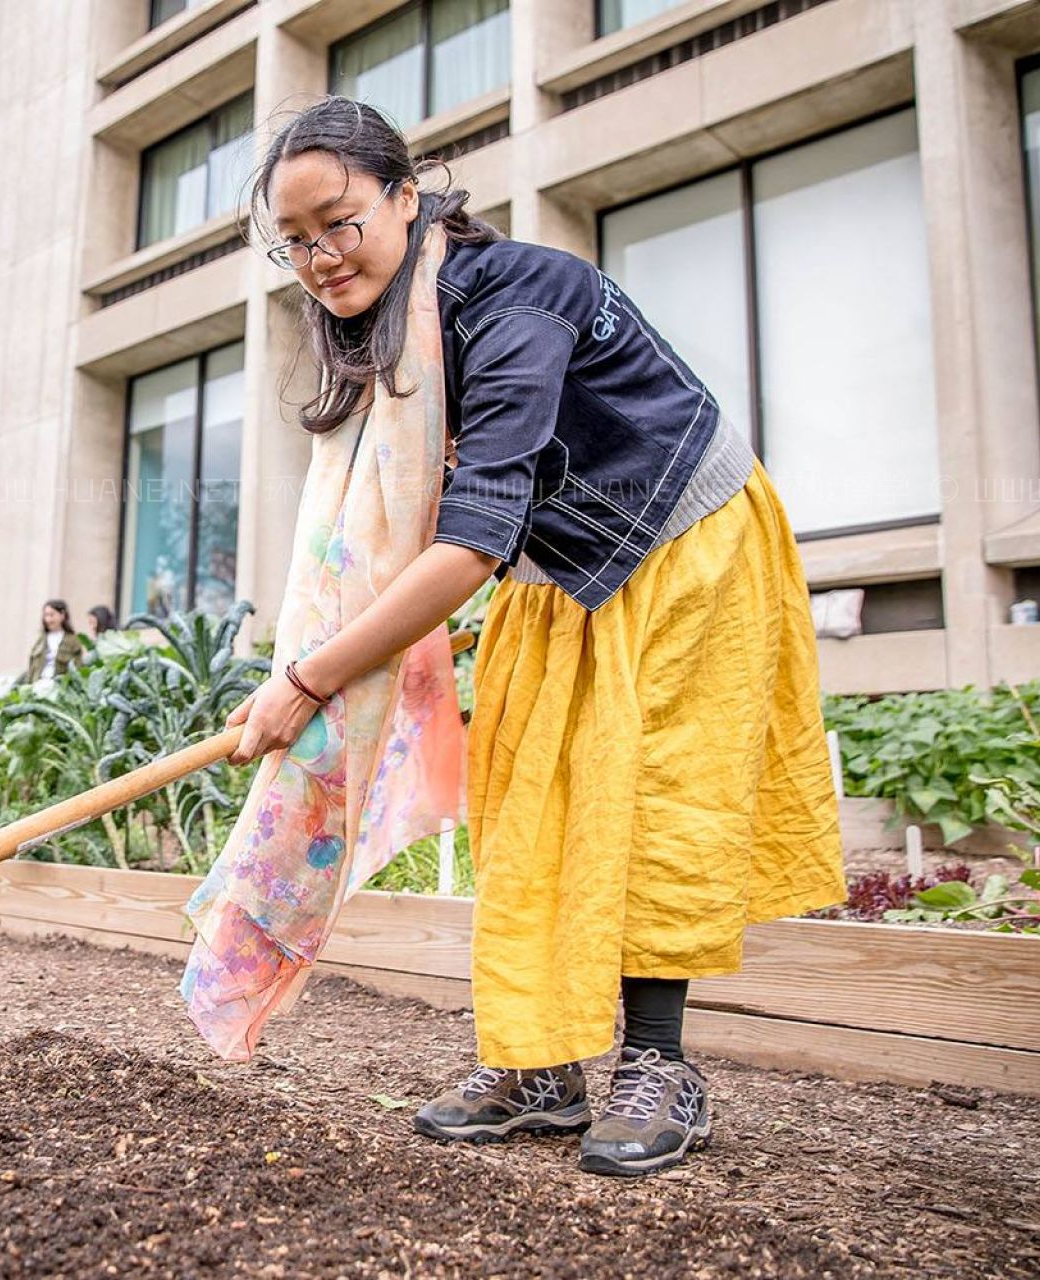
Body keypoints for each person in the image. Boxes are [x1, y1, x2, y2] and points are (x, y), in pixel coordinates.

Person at [212, 98, 844, 1178]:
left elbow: (467, 538)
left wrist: (308, 681)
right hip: (563, 565)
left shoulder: (522, 296)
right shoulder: (399, 333)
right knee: (524, 796)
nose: (320, 256)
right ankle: (539, 1061)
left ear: (406, 196)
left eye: (341, 222)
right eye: (297, 241)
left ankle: (660, 1066)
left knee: (648, 795)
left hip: (689, 536)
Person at [23, 599, 84, 684]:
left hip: (60, 690)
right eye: (46, 615)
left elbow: (78, 668)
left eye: (51, 615)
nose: (48, 619)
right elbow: (31, 669)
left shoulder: (73, 641)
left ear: (62, 615)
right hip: (37, 687)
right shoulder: (40, 640)